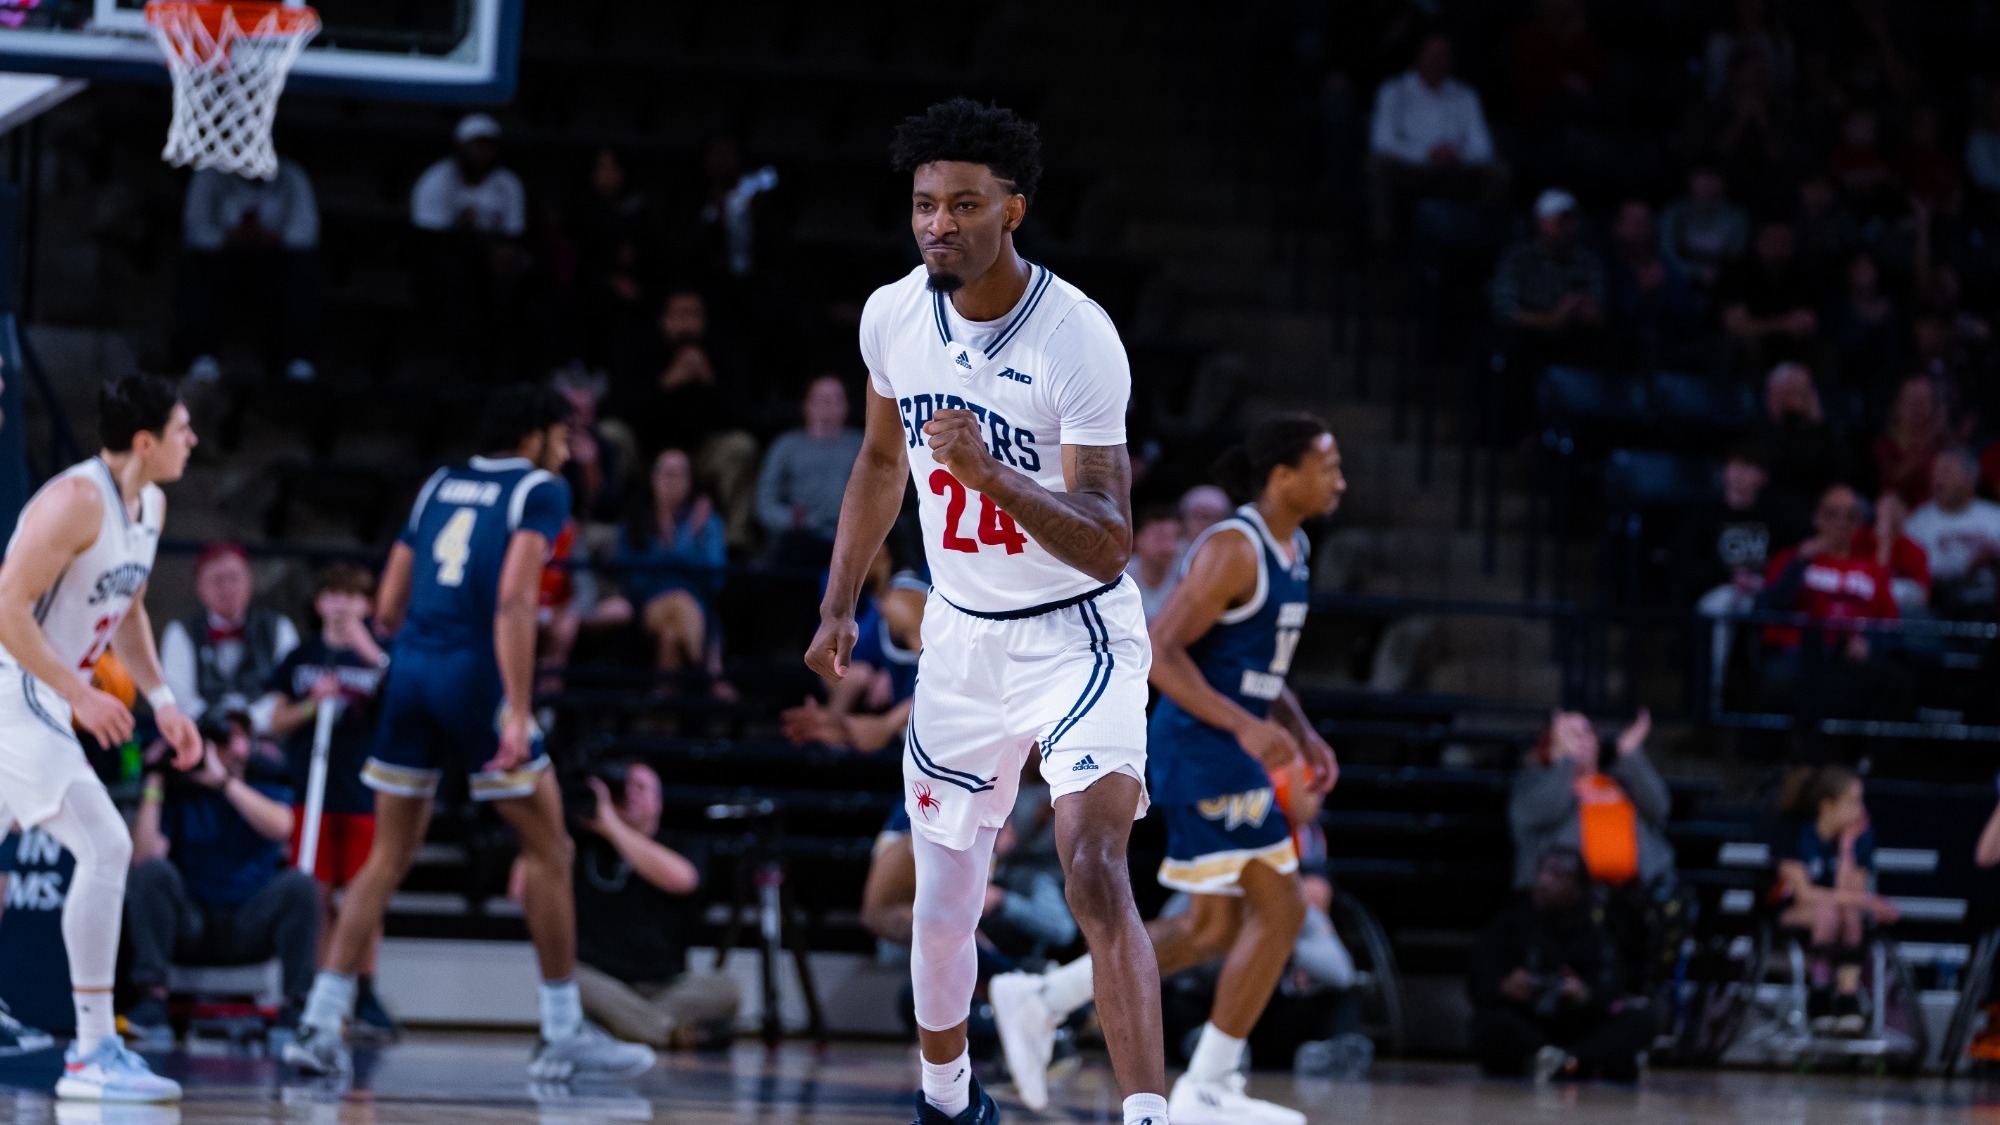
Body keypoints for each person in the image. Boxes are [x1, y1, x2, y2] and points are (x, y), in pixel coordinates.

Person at [805, 98, 1165, 1125]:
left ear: (1013, 208)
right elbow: (880, 459)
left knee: (1093, 865)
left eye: (964, 204)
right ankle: (948, 1101)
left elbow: (1107, 539)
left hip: (1076, 635)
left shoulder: (1076, 338)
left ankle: (1147, 1118)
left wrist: (993, 476)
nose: (937, 225)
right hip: (959, 641)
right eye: (923, 204)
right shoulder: (890, 317)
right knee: (939, 901)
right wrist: (838, 604)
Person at [285, 387, 655, 1080]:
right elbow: (516, 597)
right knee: (550, 847)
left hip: (412, 671)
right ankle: (561, 1030)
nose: (567, 449)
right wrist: (516, 708)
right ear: (539, 436)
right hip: (476, 675)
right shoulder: (541, 490)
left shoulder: (439, 483)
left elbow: (387, 602)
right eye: (562, 435)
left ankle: (316, 1023)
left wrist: (417, 654)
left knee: (387, 856)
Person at [990, 416, 1344, 1122]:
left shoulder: (1294, 546)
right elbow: (1165, 649)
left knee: (1213, 929)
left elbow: (1255, 665)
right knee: (1282, 907)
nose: (1339, 481)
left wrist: (1298, 728)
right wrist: (1248, 725)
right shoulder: (1235, 549)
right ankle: (1208, 1083)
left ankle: (1042, 996)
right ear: (1283, 476)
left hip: (1228, 744)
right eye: (1327, 466)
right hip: (1201, 747)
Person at [0, 375, 202, 1101]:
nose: (194, 440)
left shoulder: (150, 502)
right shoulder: (74, 500)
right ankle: (91, 1050)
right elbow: (6, 608)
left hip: (43, 691)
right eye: (183, 428)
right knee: (108, 844)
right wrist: (80, 691)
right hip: (16, 688)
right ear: (145, 442)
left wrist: (165, 701)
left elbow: (129, 605)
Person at [508, 761, 738, 1050]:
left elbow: (682, 880)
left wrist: (611, 824)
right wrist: (551, 826)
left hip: (665, 985)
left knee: (727, 989)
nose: (631, 794)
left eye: (641, 788)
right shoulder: (580, 844)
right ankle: (669, 1033)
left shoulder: (681, 842)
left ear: (659, 800)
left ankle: (623, 1029)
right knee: (566, 977)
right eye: (624, 787)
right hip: (602, 982)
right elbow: (520, 892)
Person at [260, 563, 398, 1040]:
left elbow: (401, 700)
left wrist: (366, 648)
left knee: (363, 894)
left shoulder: (380, 659)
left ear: (368, 605)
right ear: (319, 603)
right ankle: (315, 989)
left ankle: (364, 990)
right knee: (314, 895)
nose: (341, 604)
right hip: (310, 797)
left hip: (363, 793)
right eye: (333, 594)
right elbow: (275, 719)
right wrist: (310, 705)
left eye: (353, 595)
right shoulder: (301, 657)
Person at [124, 706, 319, 1042]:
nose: (232, 746)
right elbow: (143, 856)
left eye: (239, 737)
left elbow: (282, 827)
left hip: (249, 923)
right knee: (151, 874)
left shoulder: (265, 784)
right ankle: (152, 997)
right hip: (192, 924)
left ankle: (296, 1005)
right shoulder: (178, 792)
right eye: (222, 737)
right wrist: (155, 778)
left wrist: (225, 784)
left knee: (300, 886)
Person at [1468, 848, 1656, 1083]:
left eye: (1557, 875)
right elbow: (1479, 981)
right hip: (1529, 1023)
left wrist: (1584, 995)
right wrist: (1505, 987)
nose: (1544, 881)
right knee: (1488, 1023)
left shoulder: (1598, 931)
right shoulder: (1511, 922)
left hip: (1580, 1029)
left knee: (1643, 1017)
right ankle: (1560, 1060)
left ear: (1578, 887)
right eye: (1542, 872)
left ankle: (1568, 1060)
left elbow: (1614, 992)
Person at [1774, 766, 1899, 1035]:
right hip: (1793, 913)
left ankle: (1846, 996)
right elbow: (1803, 894)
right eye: (1853, 801)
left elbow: (1851, 893)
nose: (1860, 809)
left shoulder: (1860, 840)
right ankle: (1818, 993)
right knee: (1829, 909)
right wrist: (1869, 902)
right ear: (1828, 805)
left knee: (1848, 912)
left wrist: (1846, 849)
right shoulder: (1796, 833)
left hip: (1839, 917)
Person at [180, 158, 320, 383]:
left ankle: (298, 359)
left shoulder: (291, 176)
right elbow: (196, 232)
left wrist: (270, 238)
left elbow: (306, 233)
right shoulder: (211, 175)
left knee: (302, 269)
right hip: (224, 265)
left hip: (275, 266)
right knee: (195, 266)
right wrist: (232, 236)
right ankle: (203, 356)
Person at [601, 449, 729, 695]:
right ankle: (712, 674)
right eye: (666, 474)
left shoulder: (708, 523)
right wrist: (686, 548)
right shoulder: (636, 521)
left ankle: (662, 717)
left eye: (680, 475)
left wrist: (680, 543)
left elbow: (717, 580)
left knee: (671, 636)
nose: (672, 481)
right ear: (653, 478)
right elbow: (634, 580)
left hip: (700, 609)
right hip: (649, 606)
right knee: (681, 602)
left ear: (690, 482)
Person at [1364, 33, 1507, 246]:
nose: (1436, 60)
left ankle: (1483, 247)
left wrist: (1455, 155)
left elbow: (1483, 147)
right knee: (1377, 165)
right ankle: (1385, 247)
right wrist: (1426, 154)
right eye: (1431, 54)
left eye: (1442, 55)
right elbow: (1382, 141)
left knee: (1498, 172)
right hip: (1411, 169)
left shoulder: (1465, 95)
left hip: (1455, 171)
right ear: (1418, 55)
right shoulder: (1394, 91)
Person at [158, 542, 300, 727]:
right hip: (204, 737)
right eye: (217, 580)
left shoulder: (279, 627)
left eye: (234, 578)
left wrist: (249, 723)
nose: (227, 588)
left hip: (267, 738)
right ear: (200, 586)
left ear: (249, 580)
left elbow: (288, 690)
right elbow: (180, 697)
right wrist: (218, 727)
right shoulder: (180, 632)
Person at [1688, 447, 1789, 699]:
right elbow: (1688, 569)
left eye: (1749, 467)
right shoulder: (1702, 516)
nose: (1740, 474)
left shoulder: (1777, 518)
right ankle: (1709, 697)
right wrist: (1730, 578)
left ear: (1763, 476)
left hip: (1763, 595)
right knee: (1721, 605)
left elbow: (1786, 564)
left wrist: (1762, 583)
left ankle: (1763, 697)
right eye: (1735, 465)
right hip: (1718, 593)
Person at [756, 375, 866, 569]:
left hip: (853, 539)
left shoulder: (862, 446)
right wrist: (791, 519)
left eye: (835, 400)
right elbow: (765, 502)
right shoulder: (785, 446)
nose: (828, 407)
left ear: (846, 406)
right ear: (806, 405)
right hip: (799, 538)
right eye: (821, 400)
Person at [1490, 189, 1606, 366]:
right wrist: (1553, 318)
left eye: (1572, 220)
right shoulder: (1519, 258)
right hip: (1525, 345)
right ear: (1541, 221)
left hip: (1576, 345)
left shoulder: (1587, 260)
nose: (1568, 227)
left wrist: (1587, 312)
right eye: (1561, 220)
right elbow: (1503, 310)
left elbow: (1601, 310)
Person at [1715, 217, 1823, 376]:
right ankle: (1749, 398)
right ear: (1758, 239)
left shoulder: (1802, 272)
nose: (1778, 245)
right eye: (1772, 238)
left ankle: (1811, 397)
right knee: (1748, 346)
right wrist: (1783, 324)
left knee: (1819, 347)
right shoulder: (1737, 270)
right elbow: (1736, 326)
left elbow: (1808, 320)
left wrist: (1797, 324)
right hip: (1749, 345)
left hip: (1787, 344)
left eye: (1784, 239)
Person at [1749, 362, 1852, 515]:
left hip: (1818, 507)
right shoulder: (1757, 432)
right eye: (1788, 392)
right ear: (1770, 393)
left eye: (1800, 392)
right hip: (1773, 511)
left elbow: (1844, 472)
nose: (1794, 401)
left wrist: (1819, 425)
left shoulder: (1826, 434)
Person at [1907, 449, 2000, 617]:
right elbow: (1916, 579)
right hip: (1940, 606)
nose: (1937, 478)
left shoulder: (1995, 517)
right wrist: (1966, 569)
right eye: (1935, 471)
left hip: (1990, 602)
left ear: (1970, 479)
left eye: (1946, 471)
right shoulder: (1918, 522)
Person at [410, 113, 525, 239]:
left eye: (488, 145)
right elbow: (428, 233)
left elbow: (514, 232)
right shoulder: (436, 179)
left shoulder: (508, 182)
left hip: (494, 250)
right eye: (476, 145)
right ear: (460, 145)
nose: (482, 152)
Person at [1658, 165, 1749, 291]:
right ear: (1691, 180)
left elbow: (1737, 257)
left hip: (1724, 285)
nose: (1707, 184)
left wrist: (1717, 274)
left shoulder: (1736, 217)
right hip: (1677, 282)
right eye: (1701, 177)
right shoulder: (1674, 212)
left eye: (1713, 178)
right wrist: (1696, 272)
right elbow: (1667, 254)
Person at [1872, 377, 1952, 508]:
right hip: (1899, 513)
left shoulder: (1945, 445)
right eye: (1911, 399)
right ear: (1898, 403)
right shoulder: (1883, 446)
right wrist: (1928, 437)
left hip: (1939, 513)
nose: (1916, 406)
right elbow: (1892, 482)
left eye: (1923, 400)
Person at [1126, 508, 1182, 623]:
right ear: (1137, 539)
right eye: (1160, 538)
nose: (1169, 547)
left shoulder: (1185, 576)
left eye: (1174, 538)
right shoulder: (1118, 577)